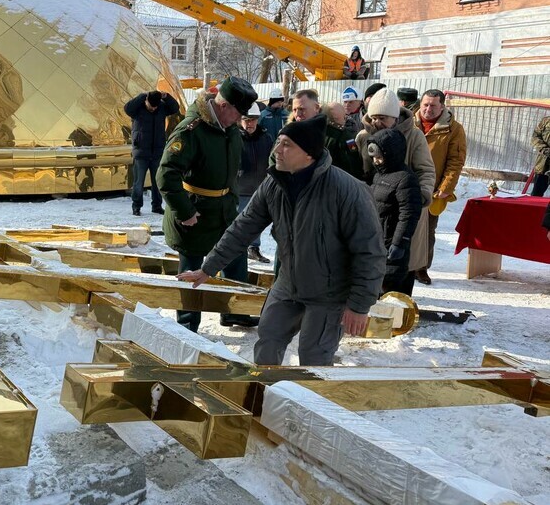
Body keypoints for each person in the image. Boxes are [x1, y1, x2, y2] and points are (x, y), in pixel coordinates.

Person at [177, 115, 386, 366]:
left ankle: (309, 404)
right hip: (288, 285)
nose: (277, 149)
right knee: (267, 344)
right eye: (278, 142)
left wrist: (360, 305)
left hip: (329, 293)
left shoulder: (347, 190)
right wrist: (208, 268)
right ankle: (266, 398)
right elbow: (242, 229)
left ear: (308, 153)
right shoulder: (274, 184)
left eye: (287, 144)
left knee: (314, 360)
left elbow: (370, 252)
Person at [157, 76, 259, 332]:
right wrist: (185, 211)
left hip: (224, 211)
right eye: (238, 113)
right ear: (223, 106)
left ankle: (235, 312)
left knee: (235, 258)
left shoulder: (229, 128)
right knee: (192, 270)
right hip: (195, 216)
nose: (240, 120)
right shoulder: (192, 130)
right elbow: (166, 174)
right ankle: (187, 324)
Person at [356, 88, 435, 295]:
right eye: (373, 117)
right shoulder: (364, 136)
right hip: (376, 208)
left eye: (382, 118)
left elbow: (425, 170)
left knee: (402, 263)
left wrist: (422, 195)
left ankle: (402, 310)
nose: (376, 122)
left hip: (405, 208)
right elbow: (359, 170)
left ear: (394, 116)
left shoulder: (414, 135)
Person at [413, 89, 467, 285]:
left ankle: (421, 268)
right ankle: (403, 266)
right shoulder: (408, 122)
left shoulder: (454, 129)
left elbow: (455, 161)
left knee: (427, 230)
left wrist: (446, 188)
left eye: (433, 105)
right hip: (407, 185)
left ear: (442, 106)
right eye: (425, 104)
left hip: (433, 189)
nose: (428, 109)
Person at [367, 129, 422, 293]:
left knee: (390, 285)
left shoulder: (405, 178)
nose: (376, 162)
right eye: (374, 158)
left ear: (391, 154)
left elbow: (409, 214)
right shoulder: (379, 176)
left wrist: (400, 242)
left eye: (379, 157)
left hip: (392, 242)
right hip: (377, 240)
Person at [124, 89, 181, 215]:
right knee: (138, 183)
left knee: (157, 182)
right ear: (146, 101)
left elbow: (175, 108)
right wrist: (142, 95)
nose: (153, 109)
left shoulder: (161, 107)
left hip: (157, 152)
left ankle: (156, 206)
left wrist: (166, 97)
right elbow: (127, 108)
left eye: (155, 107)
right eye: (151, 106)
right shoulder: (137, 108)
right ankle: (136, 206)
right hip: (141, 152)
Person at [237, 102, 274, 263]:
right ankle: (236, 249)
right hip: (239, 188)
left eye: (253, 120)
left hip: (259, 187)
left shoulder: (265, 138)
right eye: (246, 120)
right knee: (237, 221)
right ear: (240, 120)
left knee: (256, 220)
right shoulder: (234, 137)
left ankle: (254, 247)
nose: (250, 123)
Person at [323, 101, 365, 180]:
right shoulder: (347, 137)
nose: (345, 120)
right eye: (344, 117)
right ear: (338, 117)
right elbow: (353, 161)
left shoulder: (316, 133)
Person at [531, 114, 550, 197]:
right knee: (536, 195)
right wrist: (544, 149)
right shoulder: (545, 121)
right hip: (543, 163)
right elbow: (535, 137)